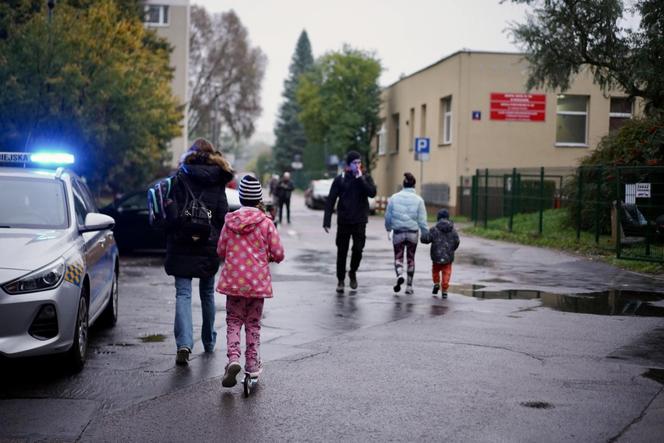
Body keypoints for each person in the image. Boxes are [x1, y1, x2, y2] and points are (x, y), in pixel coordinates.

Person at [163, 138, 234, 365]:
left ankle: (184, 344)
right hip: (208, 242)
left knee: (183, 294)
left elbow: (171, 212)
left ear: (190, 154)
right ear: (213, 155)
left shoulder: (180, 176)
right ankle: (209, 341)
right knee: (207, 293)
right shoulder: (218, 179)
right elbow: (223, 214)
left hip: (182, 241)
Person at [216, 175, 285, 386]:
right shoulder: (265, 224)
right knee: (253, 324)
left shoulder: (230, 222)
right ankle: (252, 366)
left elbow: (220, 250)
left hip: (234, 282)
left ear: (241, 197)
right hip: (257, 284)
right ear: (259, 199)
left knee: (233, 321)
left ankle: (233, 359)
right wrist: (270, 256)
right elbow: (279, 253)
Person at [323, 151, 377, 293]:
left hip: (360, 220)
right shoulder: (340, 179)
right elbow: (331, 200)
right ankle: (340, 280)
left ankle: (352, 271)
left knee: (358, 250)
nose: (357, 165)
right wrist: (327, 220)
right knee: (342, 251)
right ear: (348, 164)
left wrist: (360, 179)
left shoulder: (365, 177)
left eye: (359, 162)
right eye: (354, 163)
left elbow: (372, 193)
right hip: (344, 221)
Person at [384, 172, 428, 295]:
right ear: (414, 185)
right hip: (412, 233)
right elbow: (422, 220)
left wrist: (388, 228)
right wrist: (426, 233)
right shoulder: (419, 200)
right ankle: (409, 286)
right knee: (411, 258)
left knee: (398, 256)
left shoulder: (394, 198)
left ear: (403, 185)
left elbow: (388, 216)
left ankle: (399, 275)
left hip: (398, 232)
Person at [421, 209, 460, 298]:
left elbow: (426, 239)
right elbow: (457, 241)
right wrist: (452, 249)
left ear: (438, 218)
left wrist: (423, 235)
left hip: (436, 256)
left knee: (435, 270)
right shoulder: (453, 230)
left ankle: (436, 283)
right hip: (448, 257)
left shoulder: (434, 229)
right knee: (446, 272)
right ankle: (445, 289)